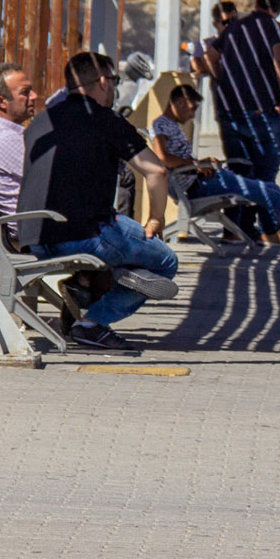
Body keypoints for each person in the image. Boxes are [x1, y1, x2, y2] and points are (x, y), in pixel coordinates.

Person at [20, 52, 179, 353]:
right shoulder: (105, 120)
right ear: (104, 81)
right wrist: (156, 219)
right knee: (164, 261)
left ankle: (83, 285)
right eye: (115, 81)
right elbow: (156, 171)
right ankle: (93, 322)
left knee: (118, 245)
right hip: (86, 237)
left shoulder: (41, 121)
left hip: (32, 239)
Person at [149, 84, 280, 258]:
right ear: (180, 102)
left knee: (273, 190)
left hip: (207, 179)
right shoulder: (161, 125)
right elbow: (162, 157)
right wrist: (196, 165)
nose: (192, 115)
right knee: (272, 195)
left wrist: (200, 164)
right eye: (192, 108)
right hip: (200, 186)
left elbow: (176, 159)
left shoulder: (170, 125)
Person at [208, 0, 280, 243]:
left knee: (238, 169)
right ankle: (269, 229)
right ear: (278, 7)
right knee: (266, 173)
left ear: (257, 1)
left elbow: (210, 53)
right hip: (262, 111)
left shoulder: (235, 27)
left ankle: (235, 228)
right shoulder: (276, 29)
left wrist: (222, 79)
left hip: (231, 111)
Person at [0, 62, 39, 230]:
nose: (34, 96)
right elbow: (53, 181)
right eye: (25, 93)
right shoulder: (8, 139)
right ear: (2, 102)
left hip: (34, 224)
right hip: (32, 230)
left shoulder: (0, 133)